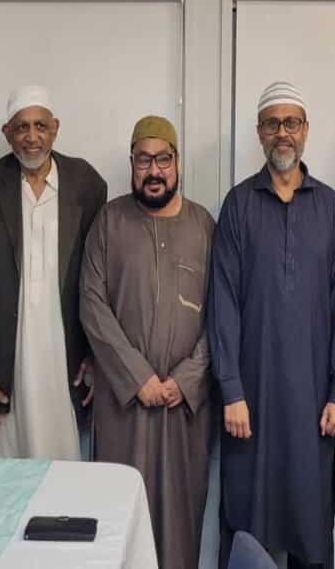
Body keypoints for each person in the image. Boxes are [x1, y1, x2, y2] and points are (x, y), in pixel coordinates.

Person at [208, 81, 335, 568]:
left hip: (314, 402)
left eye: (291, 122)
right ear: (259, 132)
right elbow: (223, 303)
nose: (282, 133)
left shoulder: (330, 207)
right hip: (250, 401)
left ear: (306, 130)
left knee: (309, 526)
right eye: (272, 123)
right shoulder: (238, 205)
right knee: (246, 524)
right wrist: (231, 390)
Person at [81, 116, 214, 569]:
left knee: (180, 523)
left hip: (185, 408)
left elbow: (223, 315)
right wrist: (138, 377)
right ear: (131, 163)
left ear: (177, 162)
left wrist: (188, 378)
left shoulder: (204, 226)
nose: (153, 170)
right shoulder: (109, 222)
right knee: (119, 520)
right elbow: (92, 305)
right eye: (143, 160)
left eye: (163, 159)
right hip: (124, 405)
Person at [0, 85, 108, 460]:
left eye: (40, 126)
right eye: (21, 127)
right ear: (6, 133)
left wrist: (95, 354)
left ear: (55, 128)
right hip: (4, 359)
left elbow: (98, 280)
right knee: (2, 473)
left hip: (64, 356)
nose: (31, 137)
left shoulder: (87, 182)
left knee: (61, 468)